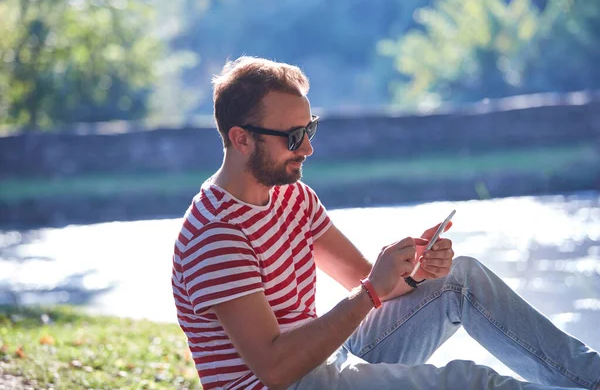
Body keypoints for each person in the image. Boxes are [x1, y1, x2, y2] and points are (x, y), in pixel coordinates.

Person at [170, 56, 600, 390]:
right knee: (471, 383)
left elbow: (365, 282)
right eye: (292, 137)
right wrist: (374, 288)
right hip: (288, 381)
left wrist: (412, 269)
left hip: (325, 362)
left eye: (310, 129)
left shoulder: (291, 196)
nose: (307, 150)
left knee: (460, 279)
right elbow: (276, 368)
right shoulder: (216, 234)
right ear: (241, 138)